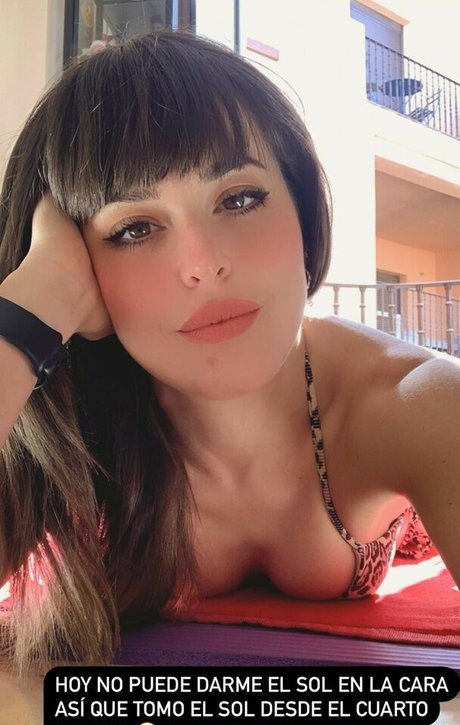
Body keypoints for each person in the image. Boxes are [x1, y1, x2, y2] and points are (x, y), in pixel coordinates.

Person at [0, 31, 458, 675]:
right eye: (134, 228)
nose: (203, 263)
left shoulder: (414, 401)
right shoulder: (68, 424)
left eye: (239, 199)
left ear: (301, 207)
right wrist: (35, 304)